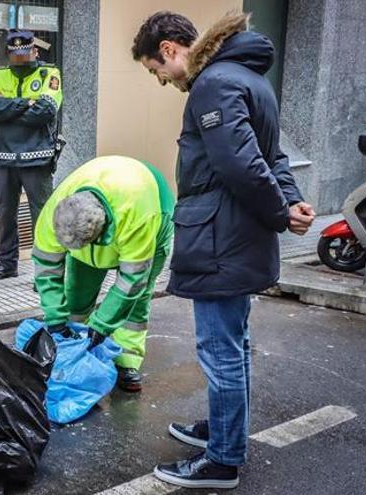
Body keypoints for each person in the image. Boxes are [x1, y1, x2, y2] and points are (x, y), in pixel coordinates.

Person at [131, 11, 315, 488]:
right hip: (236, 236)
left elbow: (242, 164)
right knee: (234, 343)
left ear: (170, 49)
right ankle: (224, 428)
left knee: (221, 350)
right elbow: (272, 156)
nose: (161, 80)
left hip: (220, 239)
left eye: (156, 70)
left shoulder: (212, 84)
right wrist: (290, 201)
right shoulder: (250, 78)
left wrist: (280, 211)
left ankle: (223, 459)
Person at [32, 155, 174, 392]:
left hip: (153, 216)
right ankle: (72, 350)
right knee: (77, 294)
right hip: (98, 218)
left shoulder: (136, 214)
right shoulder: (54, 215)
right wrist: (56, 320)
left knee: (135, 304)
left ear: (101, 231)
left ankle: (126, 360)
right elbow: (46, 271)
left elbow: (132, 281)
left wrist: (101, 325)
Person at [0, 29, 63, 283]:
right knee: (5, 213)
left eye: (25, 52)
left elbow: (45, 111)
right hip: (4, 156)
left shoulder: (48, 73)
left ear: (34, 50)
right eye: (15, 54)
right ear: (9, 54)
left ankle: (46, 273)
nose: (20, 57)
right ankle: (7, 264)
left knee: (42, 215)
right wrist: (26, 103)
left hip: (36, 157)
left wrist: (10, 109)